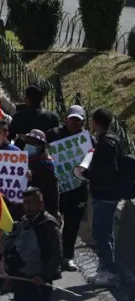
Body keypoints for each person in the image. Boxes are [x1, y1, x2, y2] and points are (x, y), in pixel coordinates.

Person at [82, 107, 122, 286]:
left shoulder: (106, 142)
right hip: (110, 194)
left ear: (95, 122)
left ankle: (111, 272)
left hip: (105, 195)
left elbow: (109, 170)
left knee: (101, 235)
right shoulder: (113, 139)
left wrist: (89, 174)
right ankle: (104, 269)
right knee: (107, 234)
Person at [46, 105, 88, 272]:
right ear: (66, 119)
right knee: (52, 222)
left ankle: (67, 257)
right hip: (56, 187)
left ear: (83, 122)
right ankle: (51, 256)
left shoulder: (86, 138)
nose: (75, 123)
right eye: (72, 119)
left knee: (72, 224)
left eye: (79, 121)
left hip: (78, 188)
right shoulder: (53, 134)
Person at [4, 187, 62, 301]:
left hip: (40, 281)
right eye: (25, 202)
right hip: (22, 278)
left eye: (30, 203)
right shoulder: (24, 221)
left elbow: (57, 255)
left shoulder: (49, 225)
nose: (27, 206)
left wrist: (43, 276)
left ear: (40, 204)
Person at [24, 129, 59, 219]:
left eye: (33, 143)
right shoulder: (20, 162)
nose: (29, 145)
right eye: (28, 142)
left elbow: (52, 193)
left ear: (40, 146)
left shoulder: (47, 165)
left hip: (41, 212)